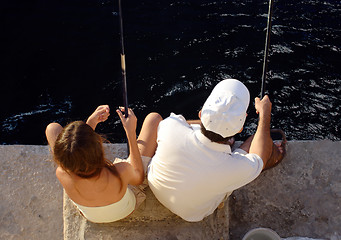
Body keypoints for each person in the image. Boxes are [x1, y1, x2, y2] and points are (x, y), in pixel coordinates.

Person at [147, 79, 286, 222]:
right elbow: (260, 158)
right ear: (239, 129)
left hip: (157, 189)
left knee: (255, 144)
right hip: (193, 213)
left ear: (201, 114)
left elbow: (180, 123)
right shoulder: (231, 169)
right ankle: (258, 154)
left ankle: (224, 141)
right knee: (259, 142)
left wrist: (215, 124)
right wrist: (265, 114)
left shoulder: (170, 126)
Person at [45, 105, 162, 223]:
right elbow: (139, 177)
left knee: (52, 129)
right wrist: (130, 132)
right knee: (154, 119)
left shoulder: (61, 172)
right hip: (124, 209)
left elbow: (77, 155)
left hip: (91, 215)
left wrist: (90, 123)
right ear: (99, 149)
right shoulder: (120, 171)